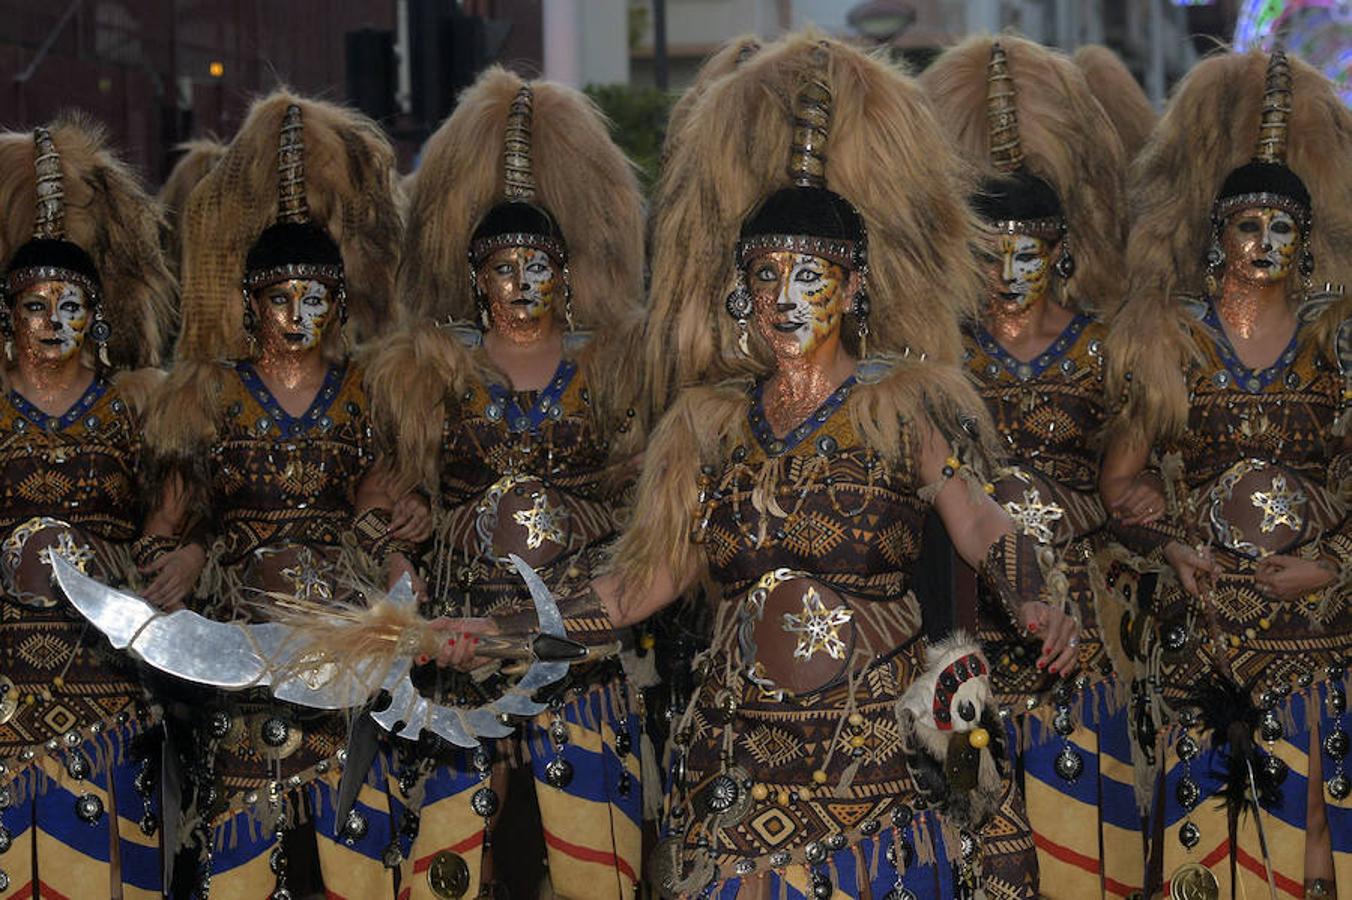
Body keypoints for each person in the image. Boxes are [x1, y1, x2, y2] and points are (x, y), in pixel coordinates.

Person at [445, 32, 1079, 898]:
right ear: (741, 290)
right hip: (737, 770)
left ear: (855, 289)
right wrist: (498, 635)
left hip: (882, 770)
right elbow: (639, 588)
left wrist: (1038, 595)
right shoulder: (707, 427)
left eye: (811, 277)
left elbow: (976, 521)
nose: (787, 298)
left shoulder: (905, 407)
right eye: (769, 274)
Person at [365, 68, 649, 898]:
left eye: (538, 265)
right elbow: (381, 508)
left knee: (600, 876)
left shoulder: (617, 367)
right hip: (461, 656)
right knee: (446, 875)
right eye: (504, 267)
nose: (522, 282)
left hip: (583, 658)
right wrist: (403, 574)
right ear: (474, 279)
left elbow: (649, 506)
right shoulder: (424, 371)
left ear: (567, 273)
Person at [138, 93, 424, 898]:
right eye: (279, 298)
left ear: (338, 305)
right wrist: (190, 553)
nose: (296, 315)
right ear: (249, 305)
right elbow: (162, 529)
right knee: (236, 867)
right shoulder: (202, 395)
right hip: (242, 658)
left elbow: (381, 509)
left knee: (358, 863)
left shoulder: (370, 392)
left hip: (343, 654)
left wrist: (402, 554)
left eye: (314, 298)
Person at [1104, 47, 1352, 898]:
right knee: (1203, 844)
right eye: (1249, 225)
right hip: (1205, 629)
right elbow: (1120, 482)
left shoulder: (1338, 341)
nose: (1266, 243)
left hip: (1316, 629)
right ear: (1218, 237)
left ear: (1306, 241)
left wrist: (1331, 565)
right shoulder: (1173, 337)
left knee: (1316, 835)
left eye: (1283, 227)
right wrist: (1170, 546)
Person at [920, 35, 1148, 897]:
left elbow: (1132, 475)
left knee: (1087, 819)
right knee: (980, 833)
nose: (1010, 270)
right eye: (994, 250)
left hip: (1081, 616)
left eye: (1029, 250)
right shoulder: (939, 358)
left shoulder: (1111, 347)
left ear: (1062, 250)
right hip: (969, 614)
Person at [0, 118, 174, 898]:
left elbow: (180, 522)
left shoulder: (138, 410)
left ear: (97, 316)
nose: (55, 321)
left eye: (72, 304)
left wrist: (186, 554)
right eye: (37, 305)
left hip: (109, 687)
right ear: (9, 318)